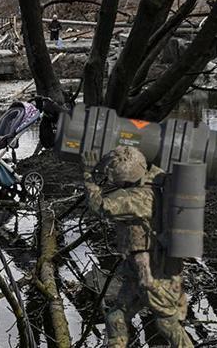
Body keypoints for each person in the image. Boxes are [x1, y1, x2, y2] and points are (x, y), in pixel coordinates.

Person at [81, 146, 192, 348]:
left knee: (167, 323)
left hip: (150, 274)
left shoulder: (131, 200)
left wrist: (88, 175)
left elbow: (99, 206)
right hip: (138, 270)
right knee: (117, 316)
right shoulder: (155, 178)